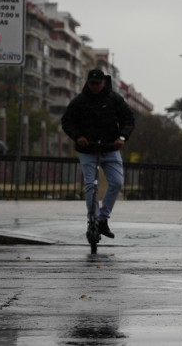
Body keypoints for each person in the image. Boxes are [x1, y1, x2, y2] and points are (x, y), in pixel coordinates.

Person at [61, 68, 135, 240]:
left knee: (117, 182)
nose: (94, 87)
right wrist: (78, 136)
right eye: (91, 83)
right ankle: (92, 220)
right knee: (91, 185)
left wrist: (122, 137)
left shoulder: (114, 99)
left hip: (110, 148)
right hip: (88, 150)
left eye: (97, 83)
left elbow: (128, 119)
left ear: (104, 82)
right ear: (88, 83)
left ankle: (103, 218)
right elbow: (67, 121)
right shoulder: (80, 101)